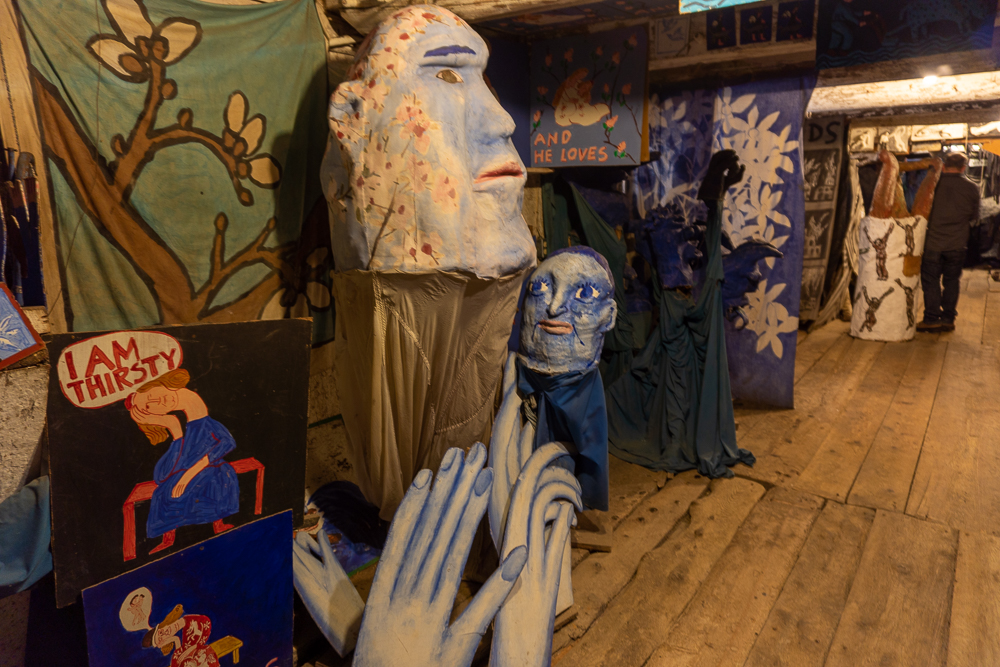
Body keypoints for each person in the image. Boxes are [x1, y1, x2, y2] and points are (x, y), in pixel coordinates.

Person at [126, 369, 239, 554]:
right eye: (148, 407)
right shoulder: (187, 424)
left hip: (212, 469)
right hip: (194, 470)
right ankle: (168, 538)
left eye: (150, 396)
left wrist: (188, 475)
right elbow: (162, 475)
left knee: (200, 484)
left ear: (157, 384)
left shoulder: (203, 422)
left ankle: (218, 524)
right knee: (164, 489)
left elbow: (228, 443)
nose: (156, 402)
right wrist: (175, 431)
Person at [917, 152, 981, 332]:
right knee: (952, 281)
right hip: (957, 244)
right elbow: (975, 217)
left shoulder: (932, 185)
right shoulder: (972, 188)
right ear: (963, 168)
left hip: (933, 243)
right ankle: (948, 319)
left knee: (931, 281)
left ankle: (931, 319)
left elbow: (920, 210)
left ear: (944, 166)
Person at [142, 605, 220, 667]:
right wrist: (173, 639)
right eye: (161, 638)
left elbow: (206, 623)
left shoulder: (191, 621)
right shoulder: (181, 643)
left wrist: (190, 649)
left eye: (160, 632)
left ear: (162, 626)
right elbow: (177, 661)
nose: (164, 633)